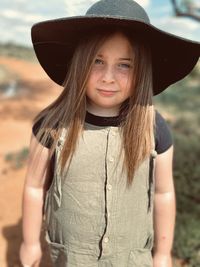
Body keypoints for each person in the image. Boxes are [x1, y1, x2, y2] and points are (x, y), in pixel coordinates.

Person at [19, 0, 200, 266]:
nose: (108, 77)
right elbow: (34, 187)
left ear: (142, 71)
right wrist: (30, 242)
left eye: (124, 65)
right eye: (97, 61)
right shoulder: (52, 125)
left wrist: (162, 254)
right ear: (79, 62)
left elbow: (163, 193)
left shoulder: (153, 127)